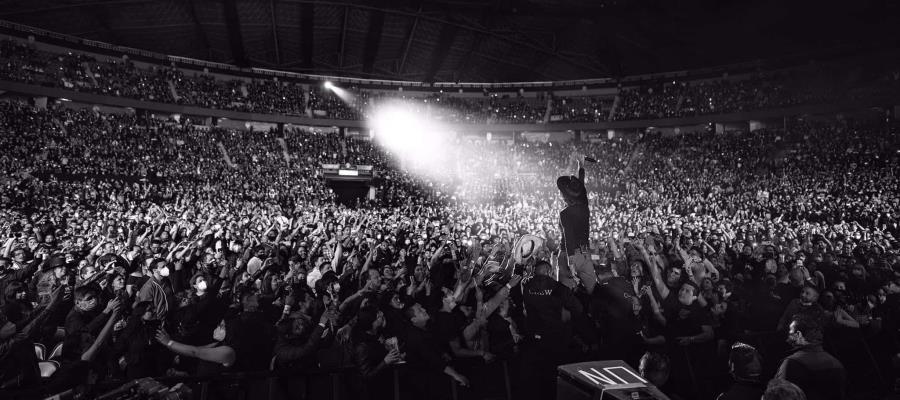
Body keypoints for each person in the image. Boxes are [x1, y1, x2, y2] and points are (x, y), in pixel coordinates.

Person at [775, 315, 846, 400]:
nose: (788, 337)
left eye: (790, 332)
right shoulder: (836, 363)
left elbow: (779, 396)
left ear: (798, 334)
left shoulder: (792, 363)